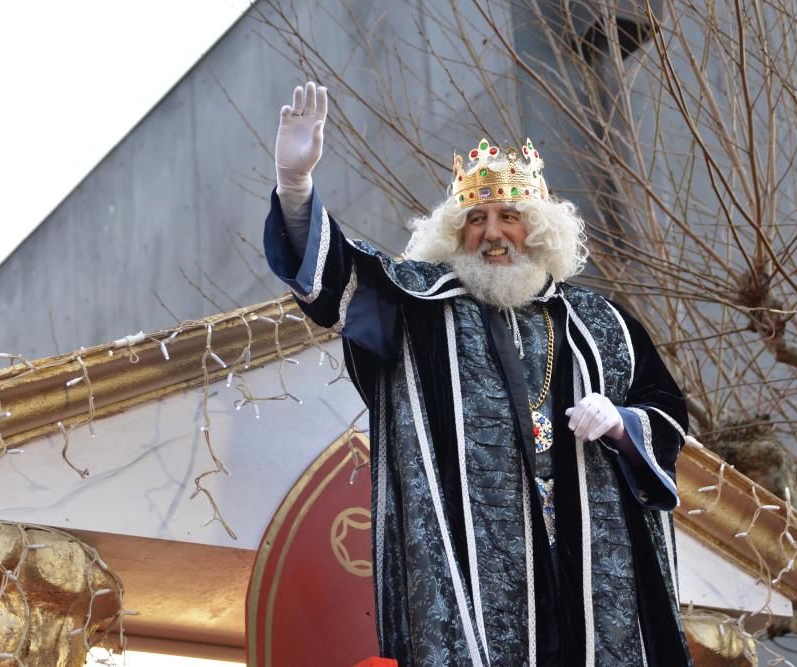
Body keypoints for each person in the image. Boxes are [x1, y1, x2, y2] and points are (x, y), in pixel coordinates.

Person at [264, 81, 692, 666]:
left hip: (594, 571)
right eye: (476, 219)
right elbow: (337, 280)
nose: (492, 234)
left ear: (536, 229)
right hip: (471, 574)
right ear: (456, 234)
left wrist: (623, 423)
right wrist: (296, 189)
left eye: (509, 217)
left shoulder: (604, 322)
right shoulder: (417, 307)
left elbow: (667, 408)